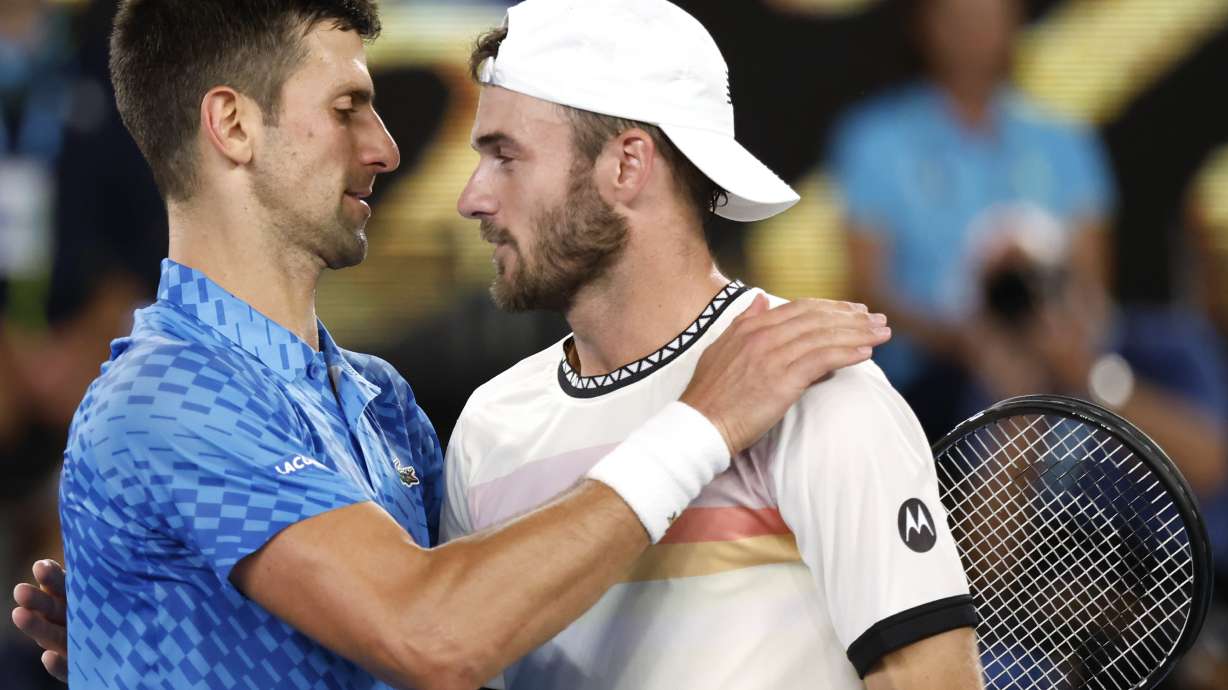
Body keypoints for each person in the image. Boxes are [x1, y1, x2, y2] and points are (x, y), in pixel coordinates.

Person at [7, 1, 891, 689]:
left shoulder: (383, 402)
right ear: (233, 126)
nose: (386, 148)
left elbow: (469, 620)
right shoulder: (165, 401)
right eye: (350, 107)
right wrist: (708, 419)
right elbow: (434, 634)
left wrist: (176, 620)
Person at [440, 1, 982, 688]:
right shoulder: (489, 428)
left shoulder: (817, 387)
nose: (471, 198)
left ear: (627, 165)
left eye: (504, 156)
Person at [830, 0, 1115, 439]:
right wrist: (966, 342)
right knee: (1007, 395)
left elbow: (1091, 287)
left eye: (988, 17)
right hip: (933, 374)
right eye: (957, 19)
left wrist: (1061, 348)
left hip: (1062, 359)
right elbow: (868, 292)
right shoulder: (875, 140)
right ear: (923, 27)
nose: (973, 34)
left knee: (1165, 364)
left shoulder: (1065, 141)